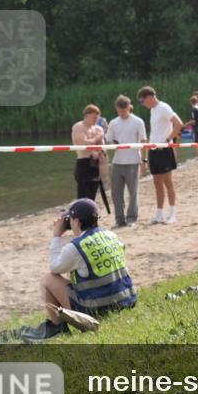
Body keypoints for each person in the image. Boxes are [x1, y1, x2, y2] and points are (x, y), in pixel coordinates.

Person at [32, 198, 137, 340]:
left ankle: (58, 328)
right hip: (126, 300)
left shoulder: (76, 246)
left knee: (47, 280)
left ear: (77, 222)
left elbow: (54, 267)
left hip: (98, 310)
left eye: (71, 219)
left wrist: (56, 236)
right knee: (78, 269)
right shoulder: (111, 235)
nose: (69, 222)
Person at [137, 86, 183, 224]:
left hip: (163, 149)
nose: (142, 104)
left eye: (142, 101)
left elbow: (178, 124)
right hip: (154, 149)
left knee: (167, 181)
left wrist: (169, 139)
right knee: (156, 182)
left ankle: (172, 214)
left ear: (149, 97)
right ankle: (159, 214)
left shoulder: (163, 107)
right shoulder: (153, 110)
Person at [105, 95, 147, 228]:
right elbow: (109, 140)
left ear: (129, 107)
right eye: (119, 111)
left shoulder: (138, 121)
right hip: (117, 162)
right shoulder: (113, 123)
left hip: (133, 161)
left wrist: (145, 160)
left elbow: (144, 141)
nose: (122, 113)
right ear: (116, 109)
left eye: (124, 110)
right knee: (116, 192)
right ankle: (119, 219)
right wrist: (112, 142)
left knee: (133, 191)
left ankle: (132, 218)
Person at [71, 105, 106, 201]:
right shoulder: (78, 127)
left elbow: (103, 147)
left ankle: (90, 215)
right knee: (82, 195)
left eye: (97, 118)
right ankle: (81, 214)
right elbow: (84, 143)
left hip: (95, 163)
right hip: (83, 162)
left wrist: (98, 152)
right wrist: (97, 138)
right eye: (93, 118)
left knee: (92, 194)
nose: (95, 120)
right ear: (86, 115)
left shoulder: (98, 129)